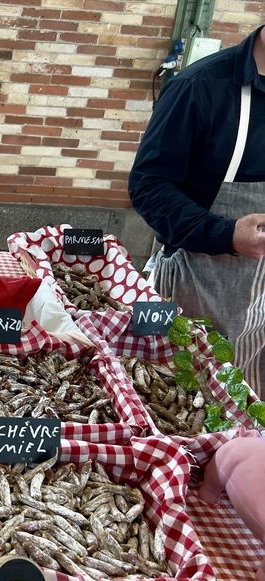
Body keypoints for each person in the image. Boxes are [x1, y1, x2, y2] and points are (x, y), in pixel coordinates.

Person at [129, 24, 265, 392]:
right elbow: (148, 186)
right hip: (198, 294)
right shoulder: (199, 86)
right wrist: (226, 234)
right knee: (183, 402)